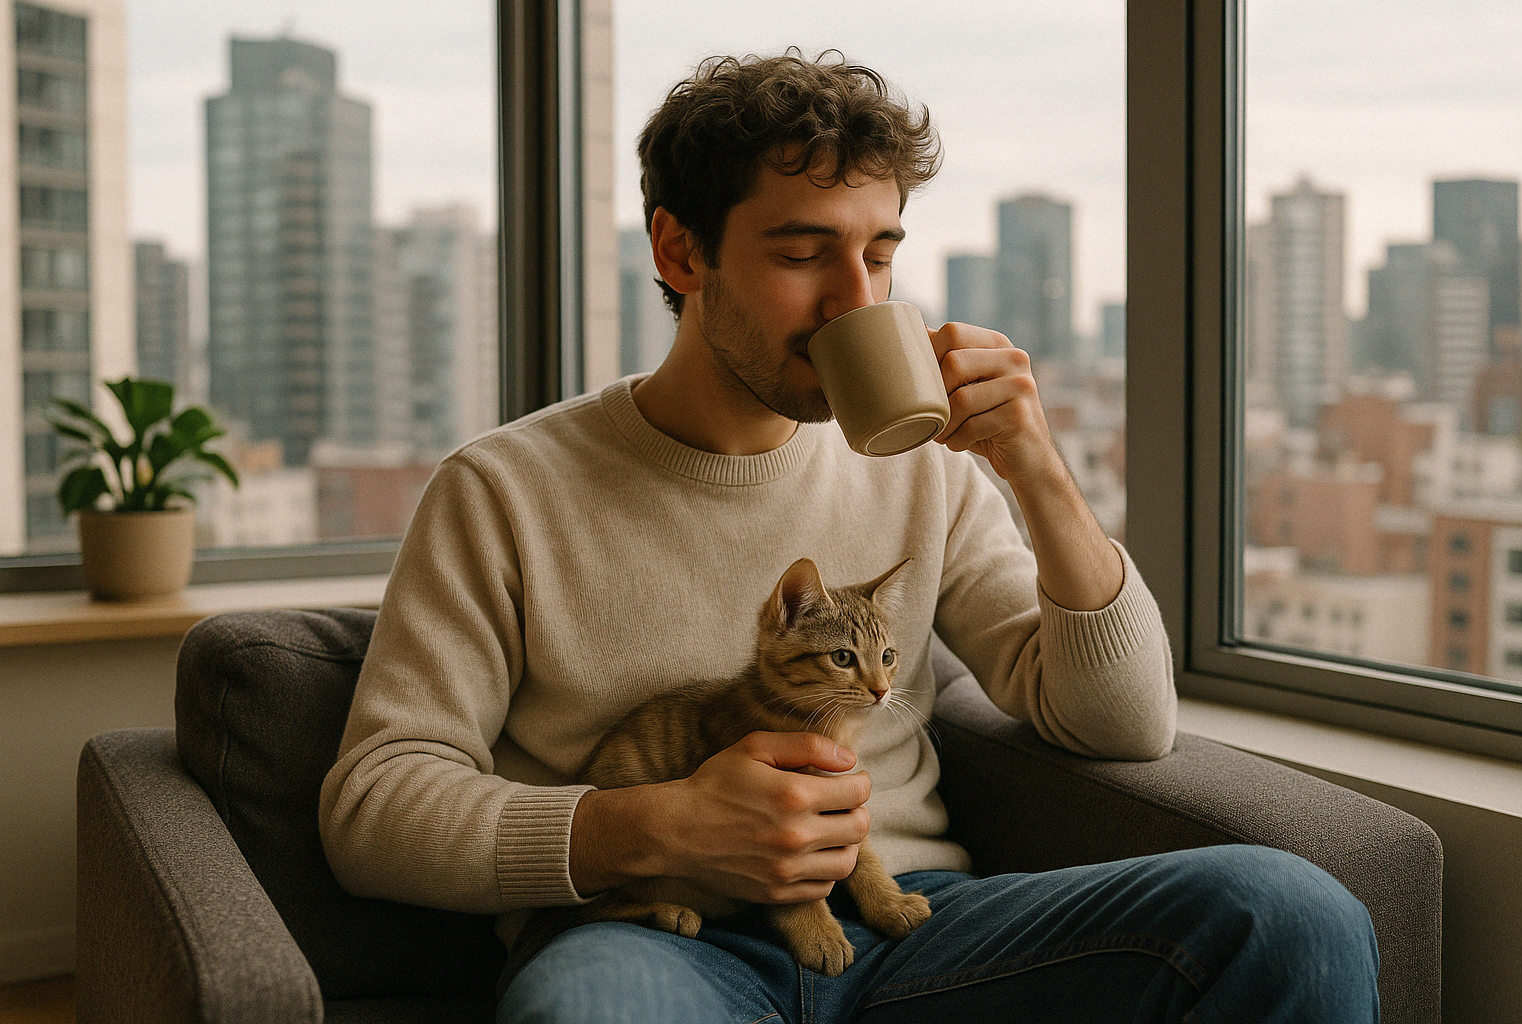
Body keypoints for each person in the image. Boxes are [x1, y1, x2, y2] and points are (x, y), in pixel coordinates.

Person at [319, 50, 1380, 1023]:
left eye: (880, 253)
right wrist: (656, 827)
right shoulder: (502, 491)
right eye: (804, 252)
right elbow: (374, 807)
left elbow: (1124, 721)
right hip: (650, 934)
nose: (854, 301)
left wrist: (1038, 471)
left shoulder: (919, 466)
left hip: (910, 923)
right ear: (681, 251)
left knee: (1291, 910)